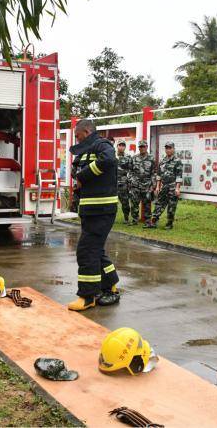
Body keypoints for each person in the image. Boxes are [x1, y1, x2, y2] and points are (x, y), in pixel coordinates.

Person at [68, 119, 120, 311]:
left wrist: (83, 176)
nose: (76, 139)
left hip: (102, 210)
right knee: (96, 250)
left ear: (87, 131)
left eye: (78, 135)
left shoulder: (102, 145)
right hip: (90, 210)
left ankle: (87, 296)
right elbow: (77, 168)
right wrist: (77, 174)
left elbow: (108, 160)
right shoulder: (85, 150)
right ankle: (110, 284)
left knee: (86, 250)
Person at [145, 141, 182, 229]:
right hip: (163, 186)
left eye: (170, 148)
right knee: (159, 204)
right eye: (166, 148)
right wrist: (157, 186)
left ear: (173, 149)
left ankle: (169, 224)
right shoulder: (162, 161)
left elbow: (179, 176)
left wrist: (177, 188)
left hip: (173, 187)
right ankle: (153, 222)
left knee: (171, 206)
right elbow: (159, 175)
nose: (168, 150)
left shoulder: (177, 161)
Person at [128, 140, 155, 226]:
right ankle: (134, 220)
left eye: (143, 147)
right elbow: (130, 171)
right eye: (140, 147)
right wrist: (131, 180)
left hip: (147, 185)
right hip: (135, 184)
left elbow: (154, 172)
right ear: (139, 148)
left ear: (146, 147)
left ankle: (147, 221)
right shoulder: (134, 158)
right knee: (134, 203)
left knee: (147, 204)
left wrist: (152, 185)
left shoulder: (151, 158)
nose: (142, 148)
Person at [116, 140, 132, 224]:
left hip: (123, 183)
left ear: (125, 147)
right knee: (112, 202)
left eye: (123, 145)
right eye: (120, 145)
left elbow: (131, 169)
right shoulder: (112, 156)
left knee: (125, 202)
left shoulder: (128, 157)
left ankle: (126, 218)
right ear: (117, 146)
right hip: (113, 183)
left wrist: (128, 180)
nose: (121, 147)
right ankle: (110, 218)